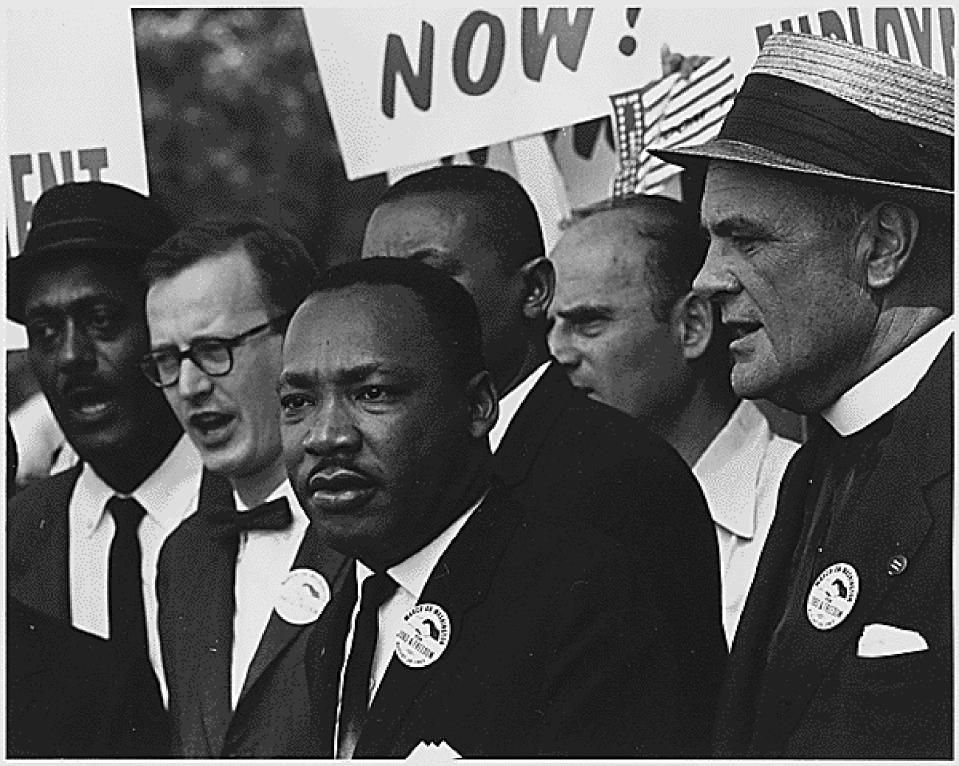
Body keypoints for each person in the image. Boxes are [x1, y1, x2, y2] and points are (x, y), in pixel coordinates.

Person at [653, 32, 954, 758]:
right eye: (708, 241)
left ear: (882, 246)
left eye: (746, 239)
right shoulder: (822, 456)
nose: (705, 278)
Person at [361, 165, 725, 752]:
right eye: (374, 281)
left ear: (534, 291)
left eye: (428, 277)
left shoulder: (617, 468)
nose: (389, 309)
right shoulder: (398, 475)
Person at [281, 257, 693, 757]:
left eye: (373, 393)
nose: (325, 436)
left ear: (479, 406)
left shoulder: (587, 599)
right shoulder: (340, 603)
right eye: (297, 402)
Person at [5, 181, 219, 758]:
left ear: (164, 328)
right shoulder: (16, 538)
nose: (71, 356)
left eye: (101, 320)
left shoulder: (257, 506)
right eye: (45, 332)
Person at [549, 194, 799, 645]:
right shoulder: (552, 515)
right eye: (549, 327)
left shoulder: (800, 501)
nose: (557, 352)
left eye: (588, 323)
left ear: (692, 326)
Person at [142, 218, 348, 757]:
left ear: (298, 334)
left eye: (214, 349)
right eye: (167, 360)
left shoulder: (374, 528)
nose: (189, 386)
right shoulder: (183, 558)